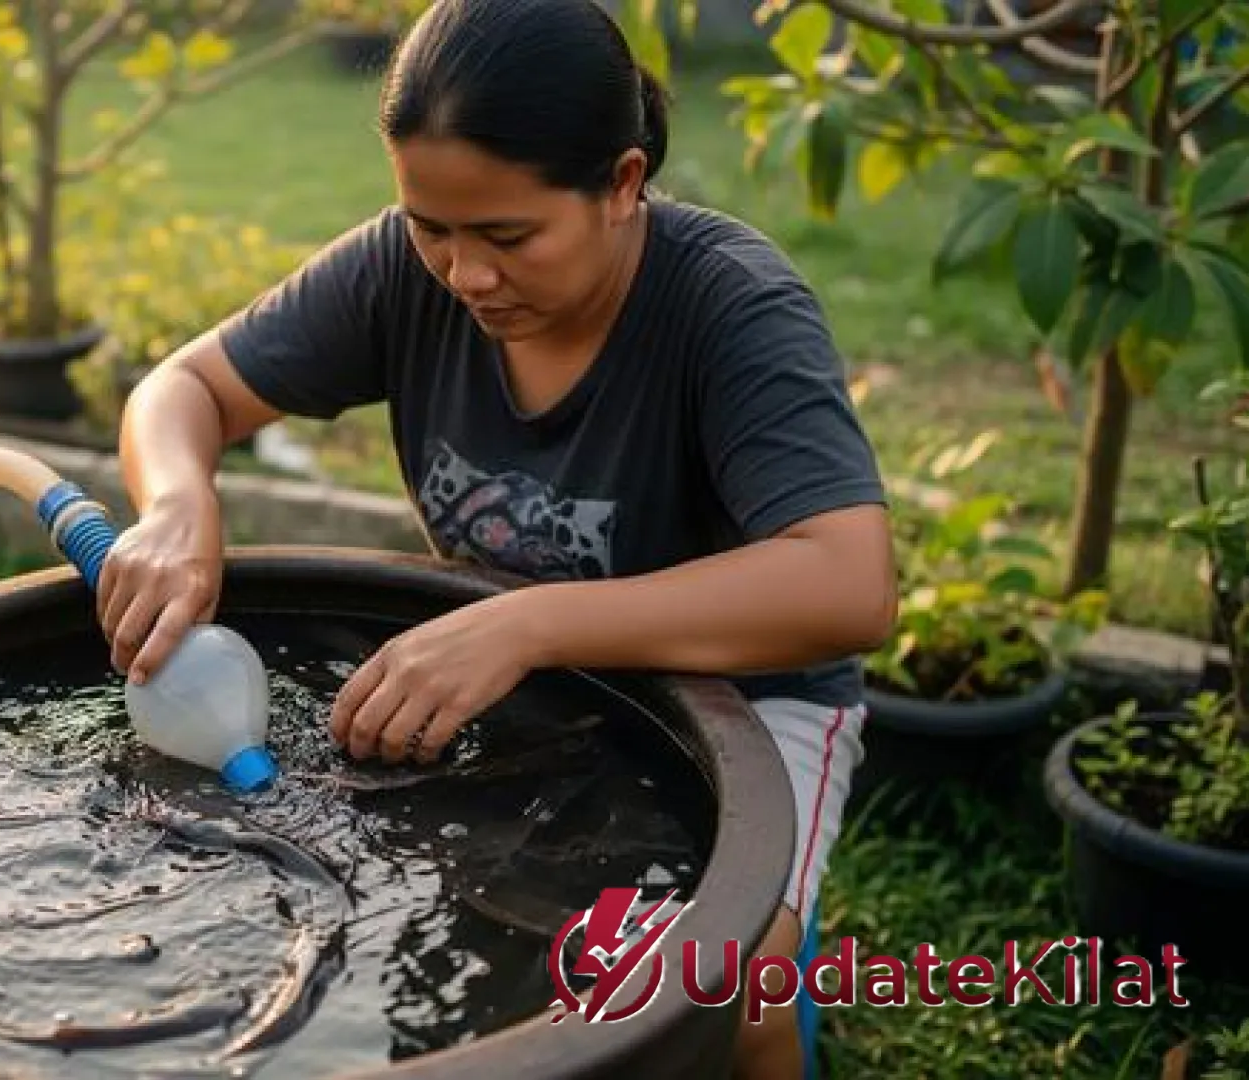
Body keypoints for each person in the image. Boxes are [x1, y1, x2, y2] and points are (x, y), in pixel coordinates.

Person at [95, 0, 895, 1074]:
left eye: (510, 238)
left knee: (729, 985)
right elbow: (184, 388)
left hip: (750, 700)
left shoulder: (728, 307)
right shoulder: (402, 272)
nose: (465, 274)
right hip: (518, 678)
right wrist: (177, 504)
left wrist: (530, 625)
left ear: (623, 183)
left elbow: (847, 584)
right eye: (431, 227)